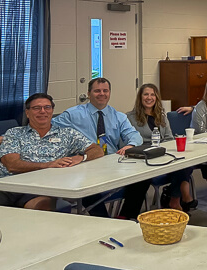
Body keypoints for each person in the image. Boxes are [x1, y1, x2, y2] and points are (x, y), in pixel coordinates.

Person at [0, 93, 103, 210]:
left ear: (52, 111)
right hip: (5, 185)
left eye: (47, 107)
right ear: (27, 112)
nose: (42, 111)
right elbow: (12, 165)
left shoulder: (67, 134)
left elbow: (97, 150)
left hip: (39, 187)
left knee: (41, 207)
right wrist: (48, 165)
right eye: (36, 108)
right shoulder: (14, 133)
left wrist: (81, 157)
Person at [53, 77, 147, 218]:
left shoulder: (118, 116)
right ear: (89, 93)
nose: (102, 94)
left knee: (143, 177)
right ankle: (104, 221)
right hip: (85, 164)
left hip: (112, 163)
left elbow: (135, 135)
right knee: (87, 185)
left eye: (105, 91)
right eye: (97, 91)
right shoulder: (73, 114)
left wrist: (130, 145)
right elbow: (47, 127)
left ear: (109, 93)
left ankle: (125, 218)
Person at [126, 83, 197, 212]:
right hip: (145, 159)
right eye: (146, 94)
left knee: (186, 163)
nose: (149, 98)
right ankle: (179, 197)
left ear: (156, 98)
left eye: (152, 94)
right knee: (181, 170)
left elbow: (169, 137)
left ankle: (174, 199)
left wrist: (164, 148)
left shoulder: (162, 116)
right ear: (140, 97)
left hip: (163, 154)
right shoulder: (130, 117)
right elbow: (132, 141)